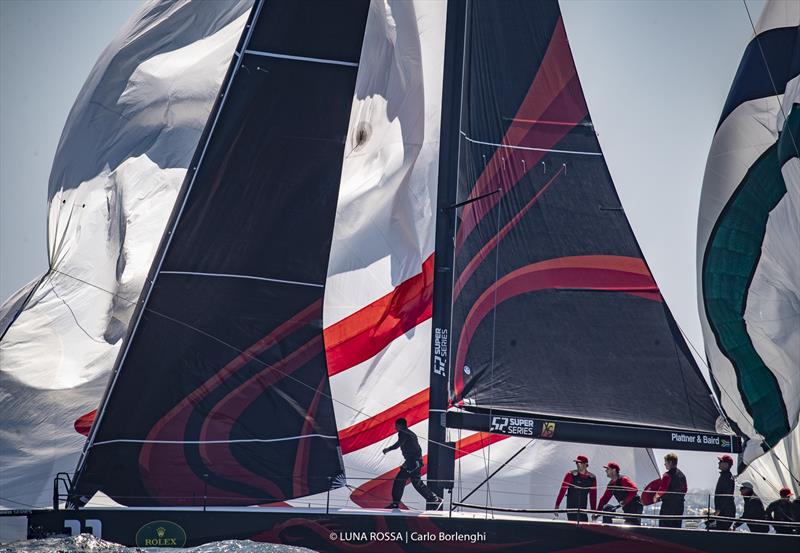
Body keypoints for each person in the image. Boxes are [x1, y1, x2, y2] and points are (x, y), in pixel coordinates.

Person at [382, 418, 441, 510]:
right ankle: (434, 499)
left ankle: (434, 499)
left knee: (409, 482)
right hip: (412, 461)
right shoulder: (410, 433)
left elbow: (398, 444)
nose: (395, 428)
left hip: (413, 462)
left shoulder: (403, 432)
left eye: (396, 426)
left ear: (400, 426)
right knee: (404, 481)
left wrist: (388, 449)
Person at [554, 454, 597, 522]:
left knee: (584, 526)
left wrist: (594, 512)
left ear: (586, 464)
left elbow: (593, 497)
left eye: (579, 463)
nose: (577, 464)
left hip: (583, 509)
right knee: (573, 526)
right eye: (576, 462)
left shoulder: (592, 478)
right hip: (571, 509)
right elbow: (562, 490)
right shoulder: (570, 474)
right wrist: (557, 505)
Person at [652, 452, 687, 528]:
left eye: (666, 462)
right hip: (680, 505)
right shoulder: (682, 475)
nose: (664, 464)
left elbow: (663, 489)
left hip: (668, 506)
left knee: (664, 527)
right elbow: (685, 489)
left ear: (670, 462)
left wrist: (656, 497)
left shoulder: (667, 475)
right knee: (676, 527)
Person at [710, 454, 735, 530]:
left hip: (726, 512)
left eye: (721, 461)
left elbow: (726, 496)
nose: (719, 463)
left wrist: (719, 510)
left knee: (716, 529)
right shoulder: (725, 476)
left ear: (726, 464)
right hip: (724, 512)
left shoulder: (727, 477)